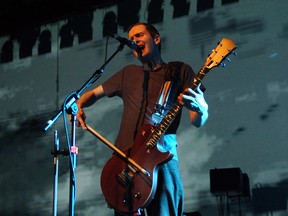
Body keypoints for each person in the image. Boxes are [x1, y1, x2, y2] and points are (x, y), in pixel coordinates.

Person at [75, 22, 209, 216]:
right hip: (125, 162)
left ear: (155, 39)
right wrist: (78, 105)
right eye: (131, 39)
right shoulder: (128, 73)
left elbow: (198, 120)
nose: (134, 41)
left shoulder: (179, 71)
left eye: (139, 35)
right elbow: (93, 94)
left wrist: (201, 107)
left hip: (161, 159)